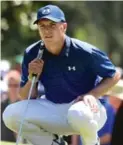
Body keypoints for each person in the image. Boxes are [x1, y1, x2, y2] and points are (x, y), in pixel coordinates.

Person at [3, 4, 121, 145]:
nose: (47, 30)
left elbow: (114, 75)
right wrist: (32, 77)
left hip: (88, 112)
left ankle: (92, 142)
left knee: (78, 113)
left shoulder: (85, 51)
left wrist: (92, 94)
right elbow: (25, 96)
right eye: (42, 26)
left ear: (63, 27)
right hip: (54, 108)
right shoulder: (32, 53)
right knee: (10, 114)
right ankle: (53, 143)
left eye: (52, 25)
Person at [1, 70, 21, 142]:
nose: (12, 88)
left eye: (15, 85)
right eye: (10, 85)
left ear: (20, 86)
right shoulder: (2, 104)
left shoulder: (24, 105)